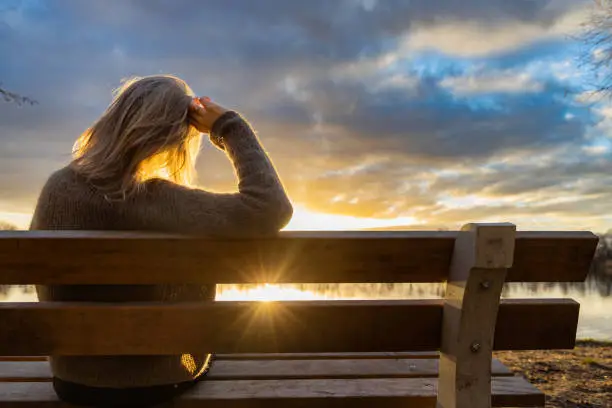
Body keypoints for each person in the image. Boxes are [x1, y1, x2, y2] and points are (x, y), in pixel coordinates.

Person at [30, 75, 293, 407]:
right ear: (172, 139)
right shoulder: (158, 202)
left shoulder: (57, 189)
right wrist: (229, 125)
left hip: (72, 383)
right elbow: (271, 207)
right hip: (155, 384)